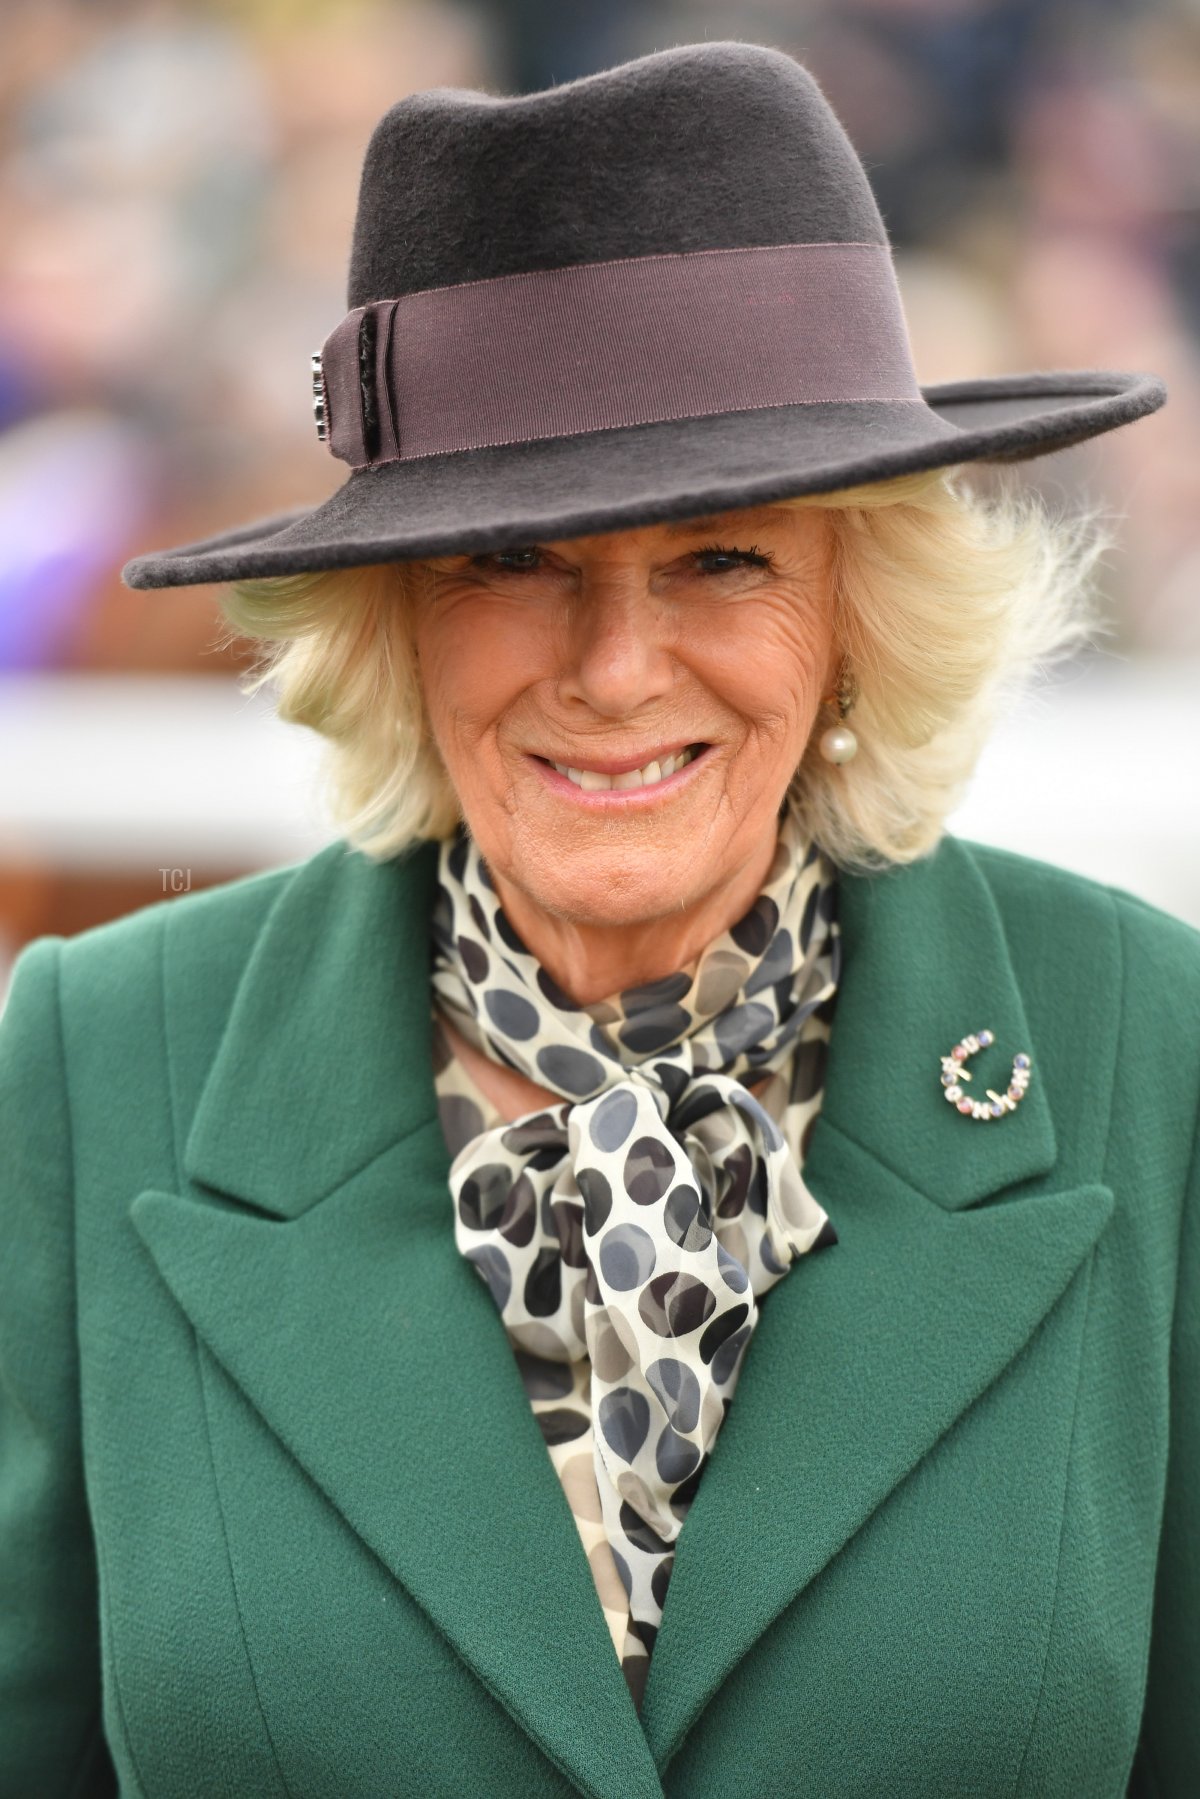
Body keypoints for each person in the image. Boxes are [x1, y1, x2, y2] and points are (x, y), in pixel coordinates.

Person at [1, 39, 1195, 1799]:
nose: (618, 672)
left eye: (724, 556)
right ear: (391, 616)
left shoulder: (1146, 1048)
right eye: (511, 560)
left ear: (861, 605)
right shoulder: (97, 1065)